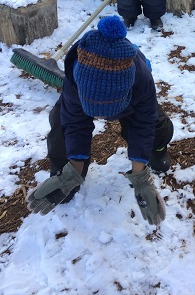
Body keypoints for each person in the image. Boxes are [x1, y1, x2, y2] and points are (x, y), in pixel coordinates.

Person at [27, 15, 174, 225]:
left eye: (106, 112)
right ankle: (65, 171)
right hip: (88, 99)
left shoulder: (142, 78)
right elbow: (75, 122)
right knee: (60, 122)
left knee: (158, 127)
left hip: (130, 102)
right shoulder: (76, 74)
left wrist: (140, 179)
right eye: (96, 112)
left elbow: (143, 123)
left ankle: (157, 149)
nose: (102, 118)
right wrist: (73, 170)